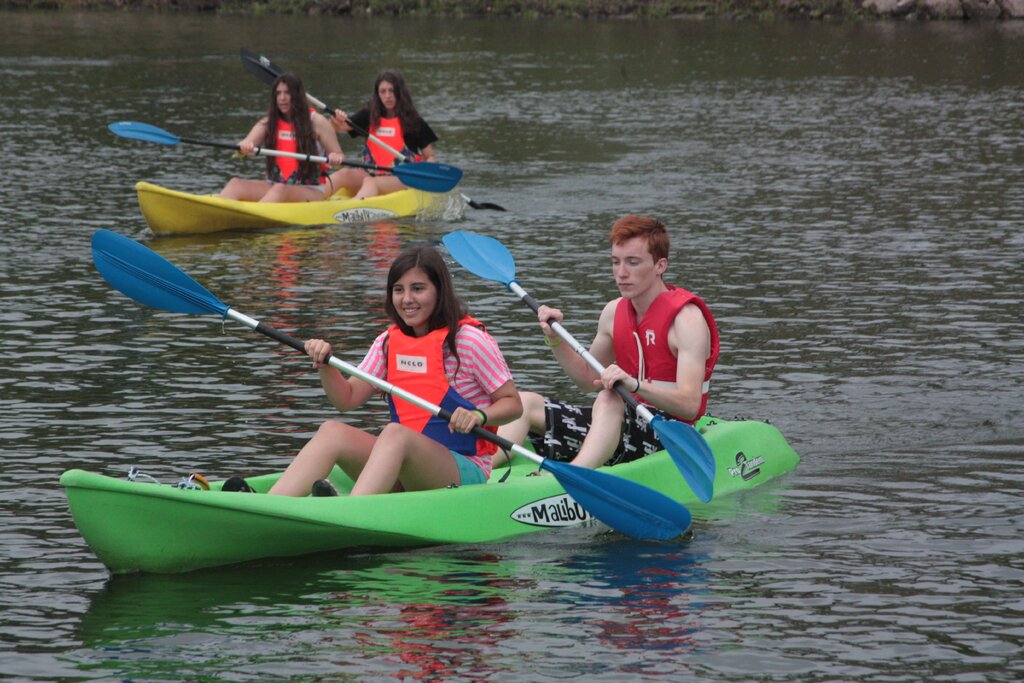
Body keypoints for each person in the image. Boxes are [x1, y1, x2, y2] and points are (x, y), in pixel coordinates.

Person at [262, 244, 522, 497]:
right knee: (332, 431)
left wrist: (479, 415)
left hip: (463, 469)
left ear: (439, 292)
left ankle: (353, 512)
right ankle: (270, 506)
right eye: (399, 290)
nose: (407, 299)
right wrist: (325, 364)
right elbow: (347, 399)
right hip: (404, 464)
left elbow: (513, 404)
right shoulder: (388, 343)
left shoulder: (468, 341)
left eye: (418, 289)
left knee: (396, 435)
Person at [496, 215, 720, 470]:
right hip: (620, 423)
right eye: (616, 262)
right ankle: (479, 472)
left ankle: (573, 475)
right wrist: (555, 338)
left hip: (670, 435)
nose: (621, 273)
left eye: (633, 263)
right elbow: (586, 377)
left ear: (660, 266)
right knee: (525, 403)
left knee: (608, 397)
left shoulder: (687, 320)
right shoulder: (613, 313)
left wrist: (635, 385)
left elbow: (690, 406)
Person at [219, 73, 345, 203]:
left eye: (287, 93)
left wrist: (336, 158)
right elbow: (248, 141)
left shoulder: (317, 122)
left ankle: (253, 217)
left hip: (310, 190)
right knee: (235, 184)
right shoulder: (269, 122)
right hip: (274, 186)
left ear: (297, 95)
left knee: (280, 189)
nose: (282, 98)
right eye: (278, 93)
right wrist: (244, 147)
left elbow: (338, 156)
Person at [328, 70, 438, 199]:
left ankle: (351, 210)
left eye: (391, 91)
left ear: (399, 92)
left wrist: (426, 167)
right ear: (378, 94)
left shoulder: (413, 121)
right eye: (383, 91)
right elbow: (338, 127)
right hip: (370, 175)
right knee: (344, 174)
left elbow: (430, 156)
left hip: (401, 180)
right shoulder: (369, 115)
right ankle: (313, 196)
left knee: (371, 183)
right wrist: (335, 119)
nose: (387, 96)